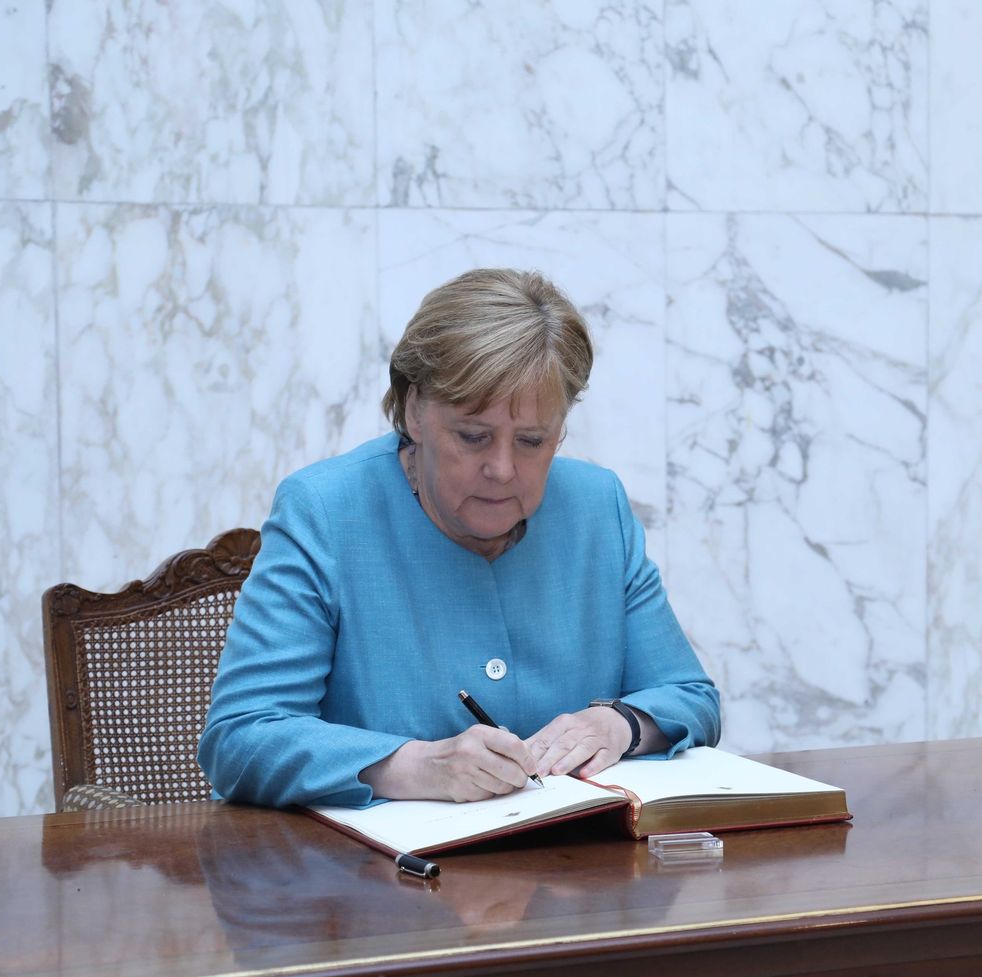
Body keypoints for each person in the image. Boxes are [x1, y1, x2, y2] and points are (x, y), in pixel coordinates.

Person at [198, 268, 720, 808]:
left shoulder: (596, 507)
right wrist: (412, 766)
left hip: (570, 875)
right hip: (373, 879)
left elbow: (691, 697)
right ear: (414, 411)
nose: (501, 469)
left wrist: (619, 725)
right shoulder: (327, 512)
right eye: (473, 436)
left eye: (532, 441)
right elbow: (241, 738)